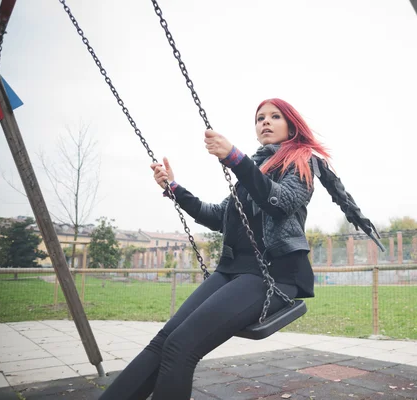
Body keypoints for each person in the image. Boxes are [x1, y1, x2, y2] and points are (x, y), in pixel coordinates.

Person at [99, 98, 333, 399]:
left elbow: (281, 202)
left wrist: (235, 159)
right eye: (260, 117)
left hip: (272, 275)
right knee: (163, 341)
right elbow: (217, 216)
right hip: (232, 270)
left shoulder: (301, 162)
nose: (265, 121)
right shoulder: (256, 166)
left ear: (291, 126)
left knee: (181, 346)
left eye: (275, 117)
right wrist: (173, 188)